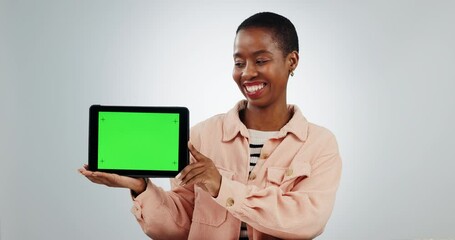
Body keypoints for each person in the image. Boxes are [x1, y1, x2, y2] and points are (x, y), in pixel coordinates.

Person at [80, 12, 342, 240]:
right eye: (239, 62)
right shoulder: (202, 137)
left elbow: (306, 221)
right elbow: (181, 228)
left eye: (261, 61)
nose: (247, 73)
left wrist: (220, 186)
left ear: (292, 61)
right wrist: (140, 188)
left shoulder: (318, 144)